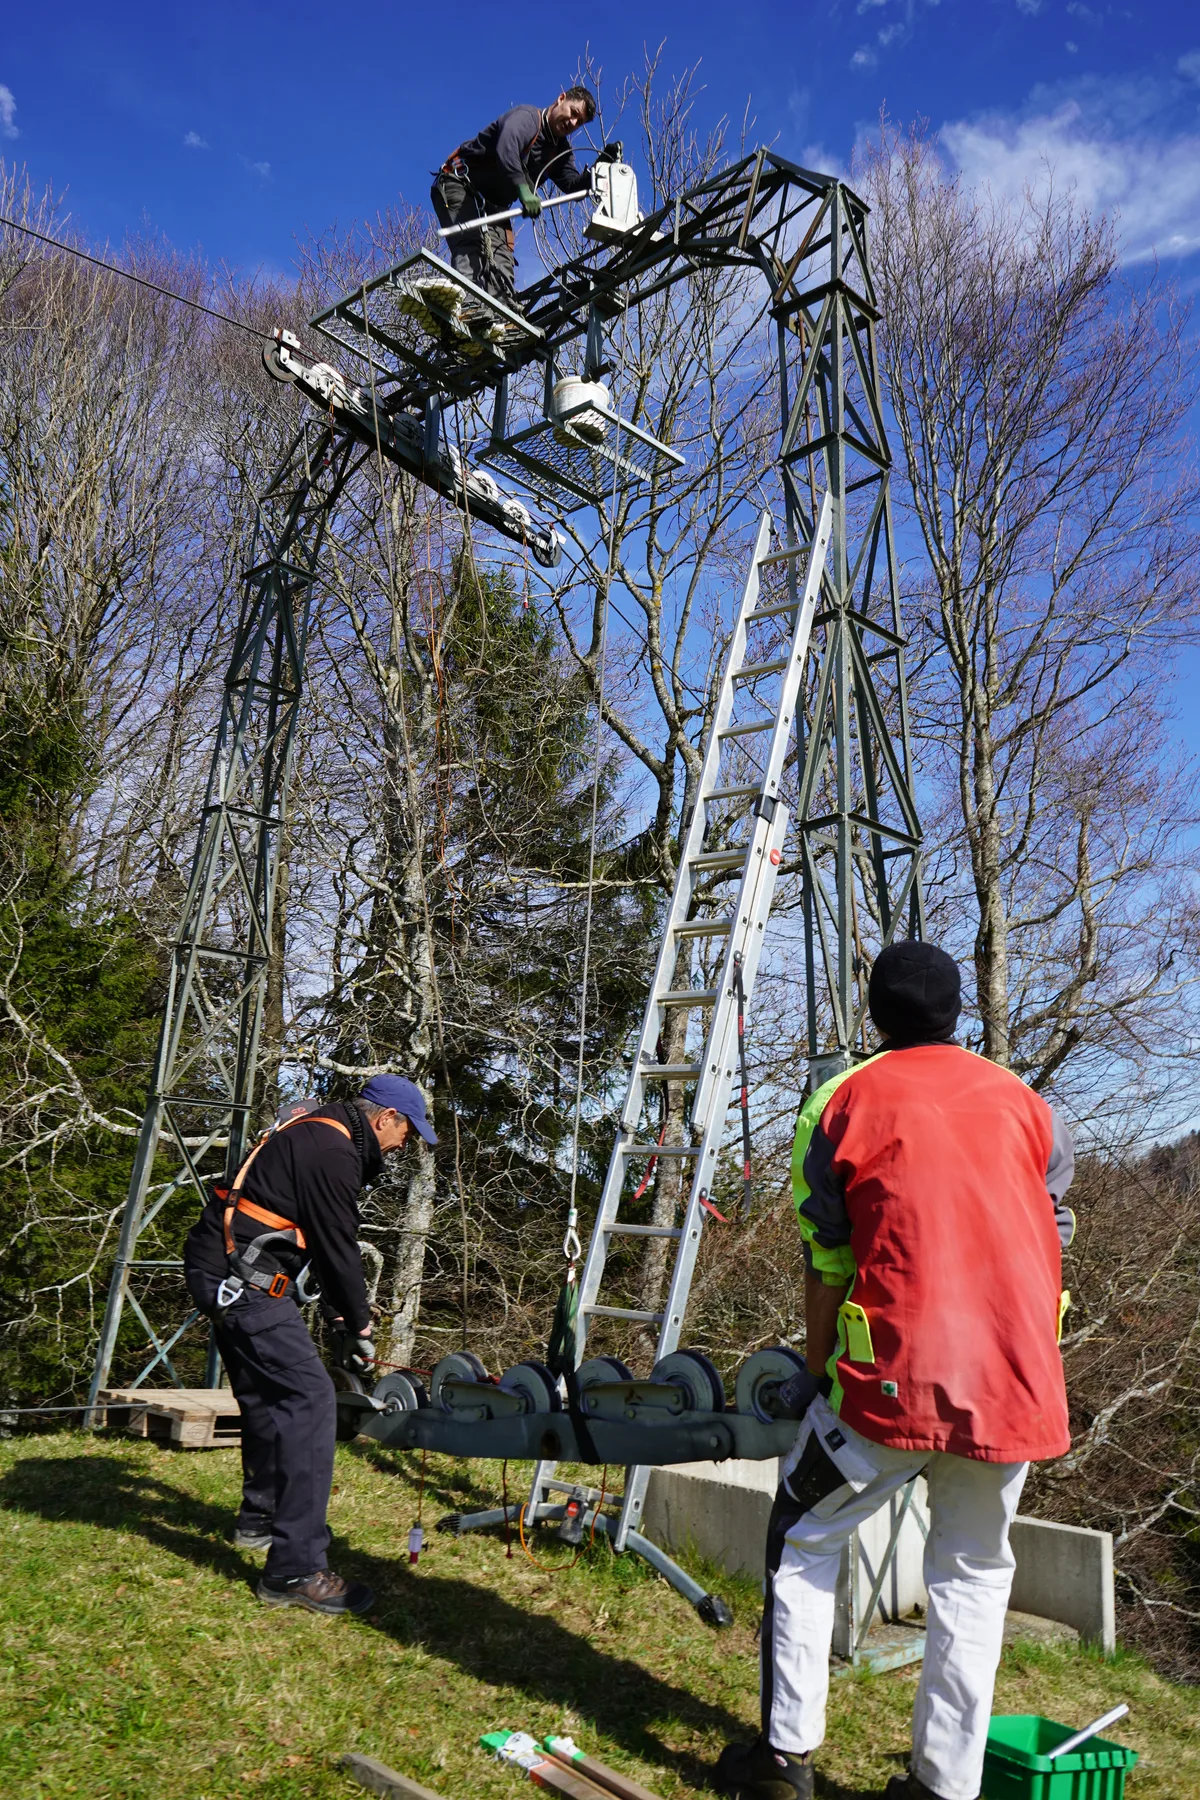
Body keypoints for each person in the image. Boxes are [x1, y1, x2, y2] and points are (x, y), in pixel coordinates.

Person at [716, 942, 1076, 1800]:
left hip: (890, 1387)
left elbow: (828, 1260)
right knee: (975, 1574)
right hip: (1014, 1387)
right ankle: (945, 1785)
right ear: (958, 1013)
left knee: (804, 1538)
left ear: (874, 1014)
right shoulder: (1029, 1105)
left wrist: (814, 1373)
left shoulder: (844, 1100)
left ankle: (783, 1760)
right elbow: (1054, 1232)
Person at [183, 1074, 437, 1616]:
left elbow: (311, 1237)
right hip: (243, 1278)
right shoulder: (331, 1151)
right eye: (408, 1132)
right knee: (311, 1400)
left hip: (222, 1265)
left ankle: (261, 1520)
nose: (405, 1144)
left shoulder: (318, 1130)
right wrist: (360, 1325)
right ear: (385, 1118)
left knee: (264, 1396)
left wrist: (339, 1316)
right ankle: (295, 1569)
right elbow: (336, 1245)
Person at [430, 86, 597, 306]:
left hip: (494, 206)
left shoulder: (560, 151)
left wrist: (599, 171)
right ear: (561, 99)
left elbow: (572, 185)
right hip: (461, 183)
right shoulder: (528, 118)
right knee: (471, 247)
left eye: (579, 122)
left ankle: (500, 316)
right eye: (573, 113)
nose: (573, 123)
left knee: (502, 263)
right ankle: (468, 308)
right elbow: (506, 148)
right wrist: (523, 190)